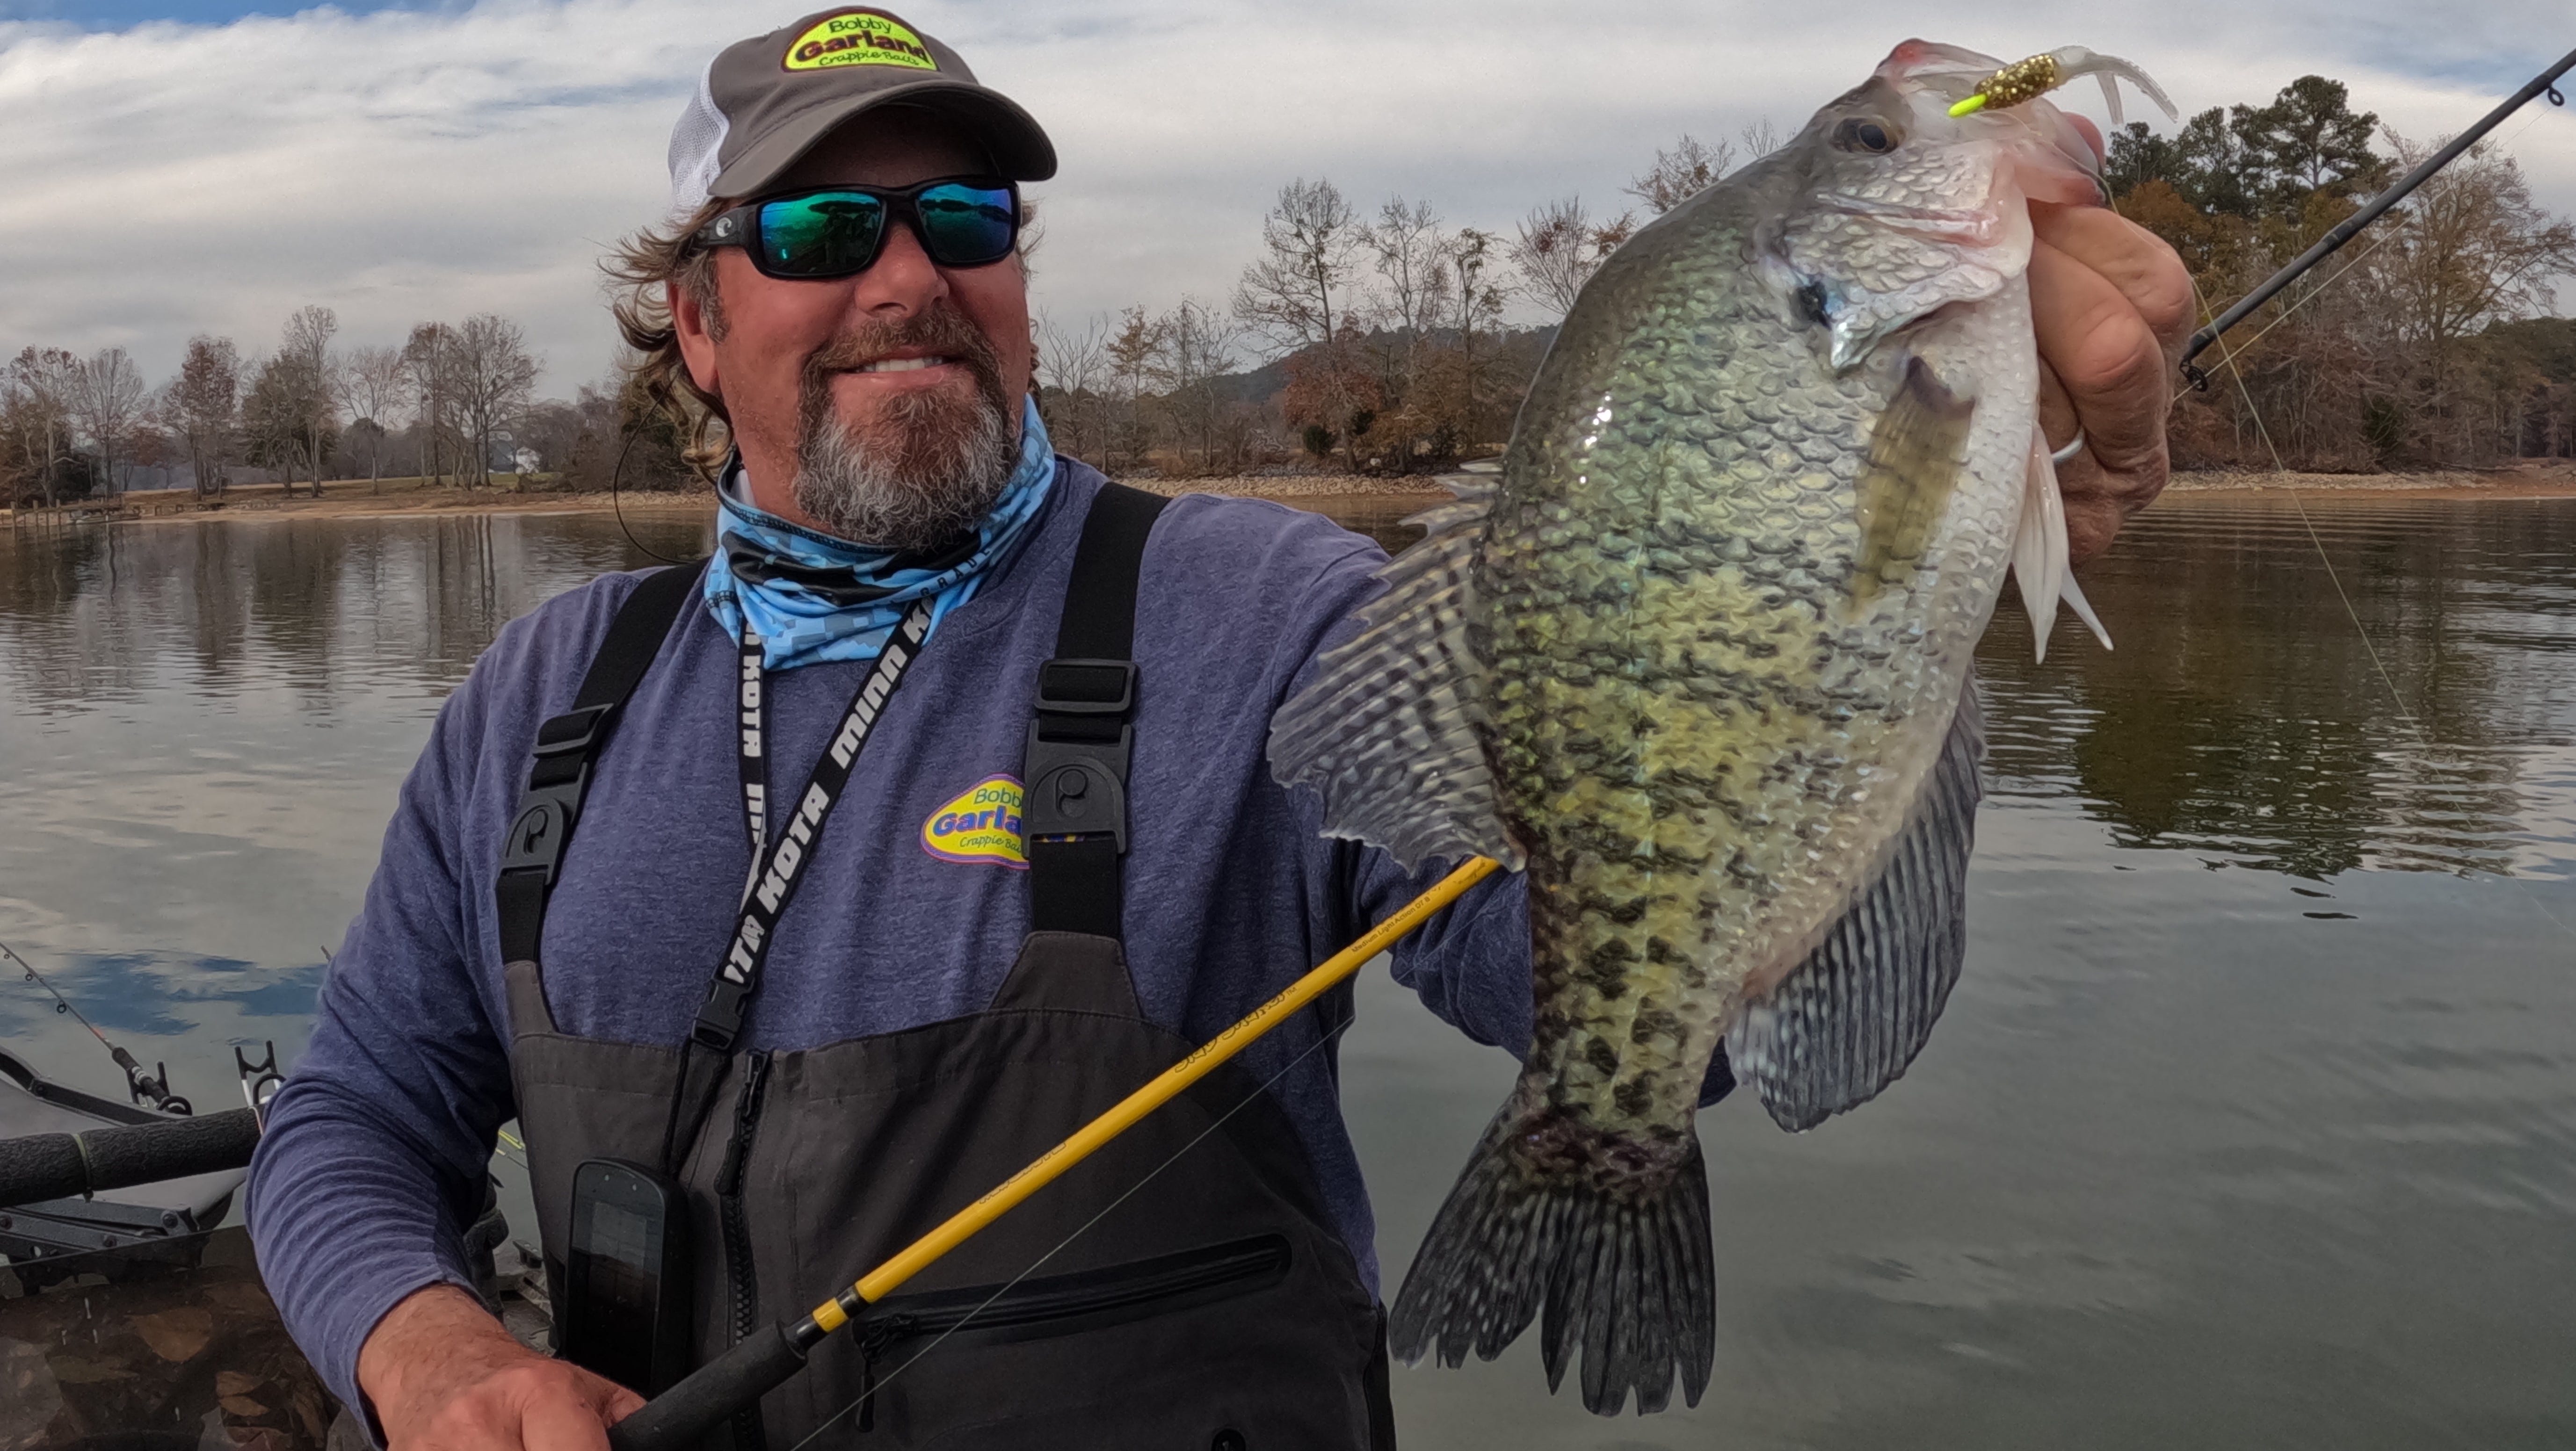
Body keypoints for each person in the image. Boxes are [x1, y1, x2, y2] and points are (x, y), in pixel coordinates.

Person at [244, 9, 2195, 1449]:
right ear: (694, 317)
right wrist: (429, 1349)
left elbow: (1577, 971)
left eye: (969, 217)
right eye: (828, 227)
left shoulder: (1255, 609)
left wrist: (1872, 616)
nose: (911, 278)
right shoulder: (546, 693)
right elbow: (352, 1120)